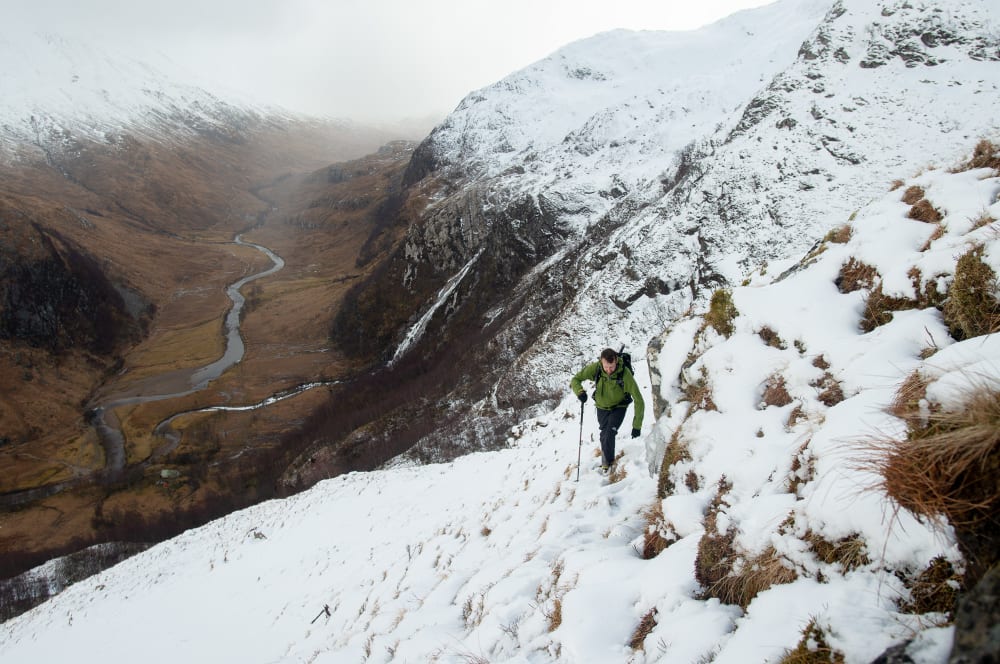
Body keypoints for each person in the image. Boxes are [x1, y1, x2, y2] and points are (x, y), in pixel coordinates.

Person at [570, 347, 644, 474]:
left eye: (612, 367)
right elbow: (576, 379)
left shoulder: (624, 373)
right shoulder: (597, 368)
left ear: (616, 361)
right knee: (604, 435)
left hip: (619, 407)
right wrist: (580, 392)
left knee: (609, 433)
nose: (609, 370)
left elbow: (639, 400)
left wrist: (636, 426)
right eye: (606, 367)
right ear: (601, 362)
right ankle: (607, 461)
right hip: (601, 407)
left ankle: (607, 464)